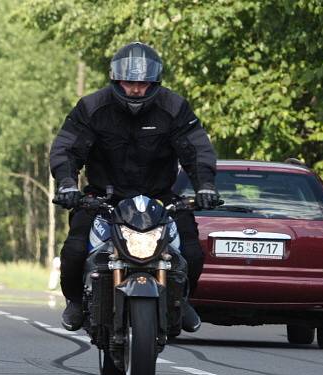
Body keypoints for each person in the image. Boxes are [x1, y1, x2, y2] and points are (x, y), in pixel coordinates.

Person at [49, 42, 220, 332]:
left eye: (143, 83)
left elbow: (197, 149)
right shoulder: (92, 107)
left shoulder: (174, 107)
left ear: (155, 82)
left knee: (191, 249)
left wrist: (205, 186)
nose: (136, 89)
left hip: (159, 198)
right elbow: (66, 149)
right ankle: (75, 302)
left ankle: (184, 300)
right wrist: (67, 185)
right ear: (116, 79)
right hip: (103, 198)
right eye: (130, 82)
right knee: (75, 248)